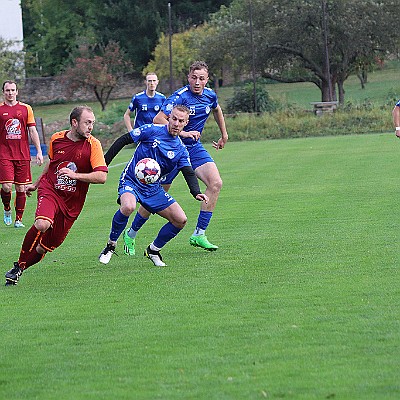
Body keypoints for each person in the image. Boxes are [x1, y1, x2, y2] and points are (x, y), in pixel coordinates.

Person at [4, 106, 108, 286]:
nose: (91, 127)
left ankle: (20, 269)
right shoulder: (56, 139)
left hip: (72, 203)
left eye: (92, 123)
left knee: (44, 247)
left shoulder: (93, 145)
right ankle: (18, 265)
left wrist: (75, 176)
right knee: (42, 223)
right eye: (87, 122)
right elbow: (52, 164)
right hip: (50, 190)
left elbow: (102, 176)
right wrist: (36, 184)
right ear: (74, 123)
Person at [131, 60, 228, 251]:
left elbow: (216, 109)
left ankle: (199, 234)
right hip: (172, 150)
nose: (197, 82)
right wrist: (183, 133)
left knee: (215, 183)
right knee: (157, 196)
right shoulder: (179, 97)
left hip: (194, 149)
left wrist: (224, 134)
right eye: (194, 78)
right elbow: (159, 119)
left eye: (202, 78)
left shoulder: (210, 95)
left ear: (207, 80)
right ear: (188, 78)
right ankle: (131, 233)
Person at [99, 104, 208, 267]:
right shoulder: (151, 130)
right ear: (169, 117)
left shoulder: (180, 149)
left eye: (181, 121)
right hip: (131, 180)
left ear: (186, 123)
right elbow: (123, 140)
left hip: (153, 189)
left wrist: (196, 191)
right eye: (174, 119)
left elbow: (188, 171)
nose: (176, 123)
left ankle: (153, 250)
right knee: (128, 207)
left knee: (180, 220)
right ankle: (110, 246)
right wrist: (104, 163)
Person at [0, 80, 44, 228]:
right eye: (7, 90)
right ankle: (7, 209)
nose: (10, 93)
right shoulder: (0, 109)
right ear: (3, 92)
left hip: (22, 154)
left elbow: (32, 130)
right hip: (4, 153)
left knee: (21, 188)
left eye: (13, 90)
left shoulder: (26, 109)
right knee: (6, 186)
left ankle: (18, 219)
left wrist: (38, 151)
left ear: (17, 92)